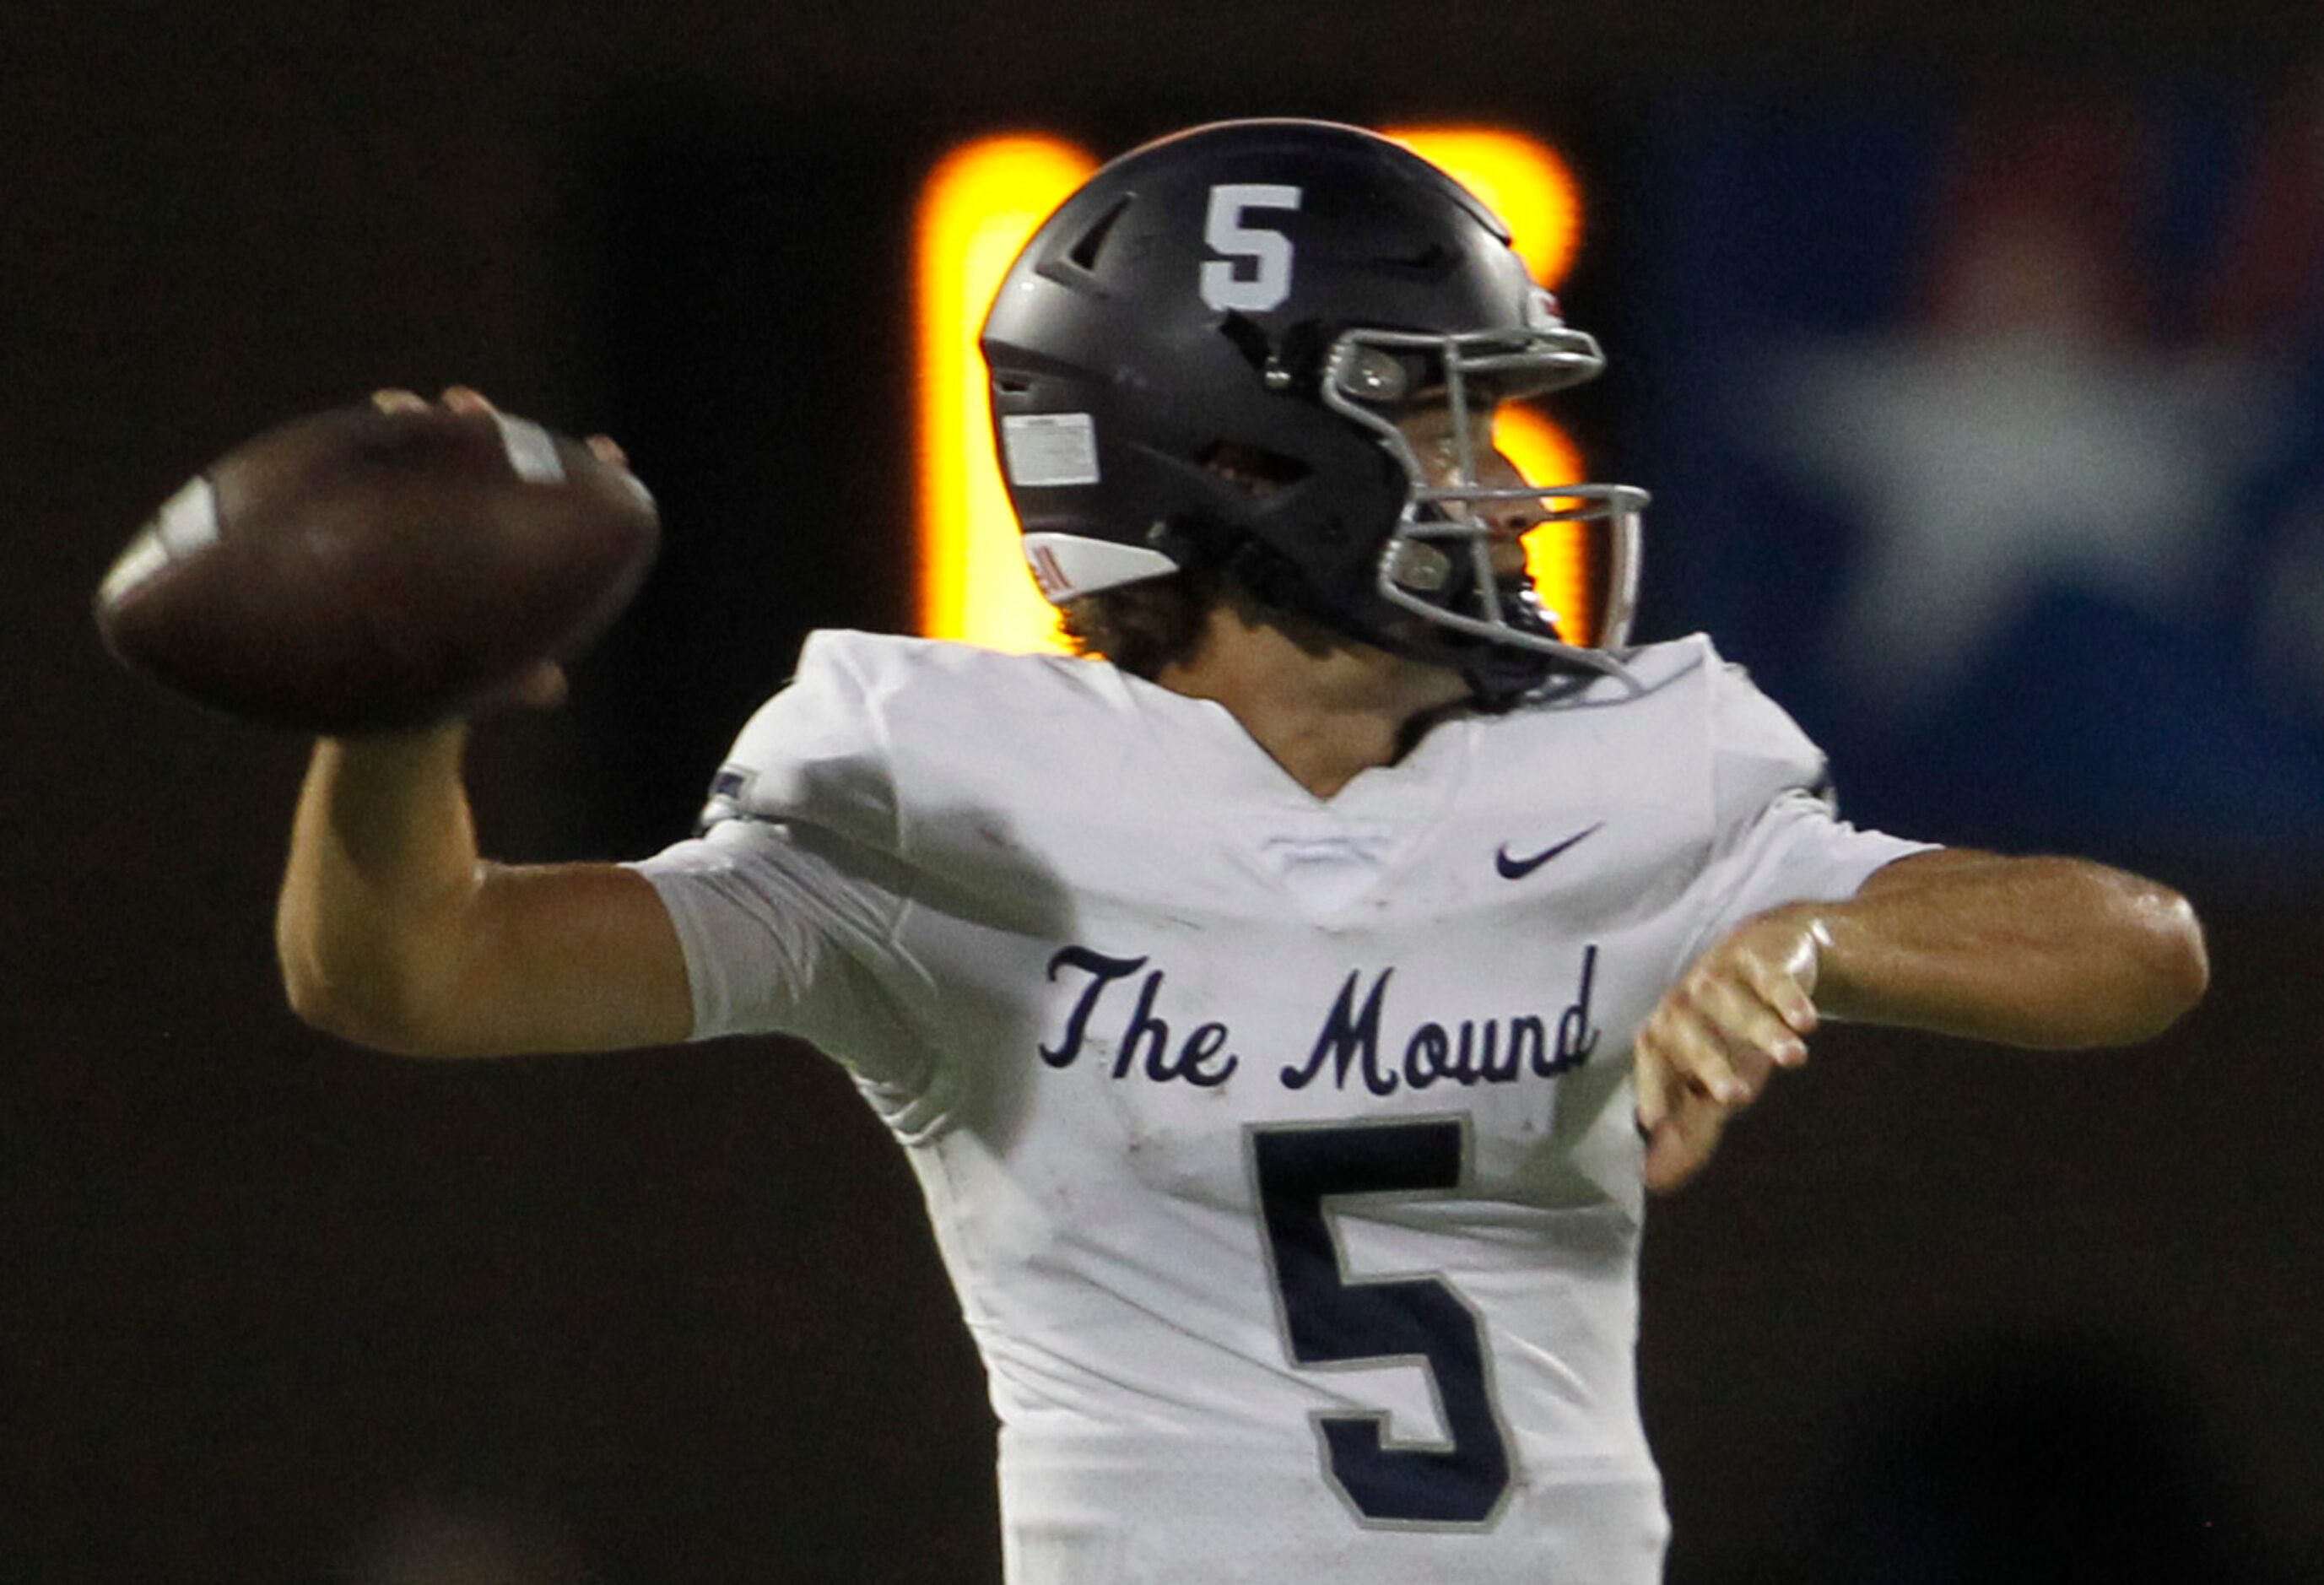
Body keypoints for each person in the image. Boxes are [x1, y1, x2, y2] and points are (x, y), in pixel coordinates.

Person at [276, 120, 2209, 1583]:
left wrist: (1820, 945)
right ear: (1243, 466)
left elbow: (2138, 949)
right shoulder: (947, 796)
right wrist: (391, 718)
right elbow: (415, 972)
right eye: (1438, 424)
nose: (1505, 480)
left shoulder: (1634, 772)